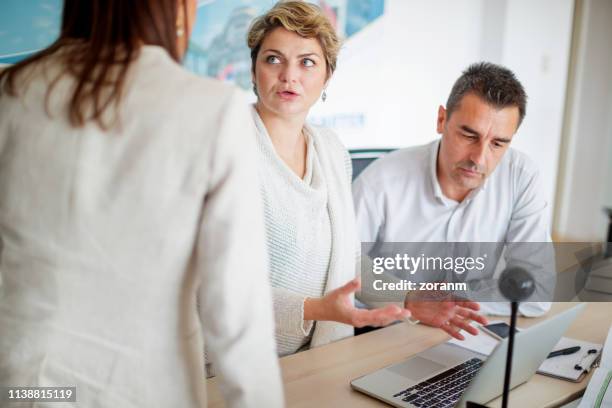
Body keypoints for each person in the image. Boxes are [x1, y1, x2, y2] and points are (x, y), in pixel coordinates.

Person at [0, 1, 282, 407]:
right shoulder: (211, 108)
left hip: (25, 384)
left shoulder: (14, 91)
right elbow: (237, 314)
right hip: (139, 389)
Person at [247, 1, 487, 356]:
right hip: (236, 364)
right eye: (273, 59)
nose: (289, 75)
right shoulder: (225, 150)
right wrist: (314, 309)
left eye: (307, 62)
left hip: (319, 357)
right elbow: (210, 285)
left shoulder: (330, 150)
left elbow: (347, 260)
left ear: (327, 76)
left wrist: (409, 299)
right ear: (253, 70)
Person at [353, 62, 554, 318]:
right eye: (469, 136)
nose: (479, 158)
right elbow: (343, 264)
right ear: (441, 120)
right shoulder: (380, 181)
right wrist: (407, 298)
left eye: (498, 143)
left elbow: (536, 290)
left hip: (463, 331)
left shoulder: (521, 176)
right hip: (388, 326)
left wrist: (446, 300)